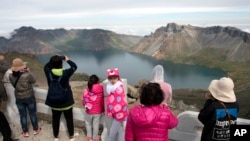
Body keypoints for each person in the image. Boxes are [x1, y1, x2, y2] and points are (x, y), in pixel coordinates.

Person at [44, 55, 77, 141]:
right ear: (61, 63)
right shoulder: (66, 73)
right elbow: (74, 66)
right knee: (69, 119)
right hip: (66, 102)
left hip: (54, 102)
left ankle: (56, 137)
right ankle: (71, 136)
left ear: (51, 64)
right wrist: (67, 59)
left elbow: (46, 66)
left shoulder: (48, 72)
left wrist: (54, 60)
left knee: (55, 119)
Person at [9, 58, 41, 137]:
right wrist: (28, 70)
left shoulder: (10, 76)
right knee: (32, 114)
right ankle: (36, 129)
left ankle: (25, 132)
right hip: (29, 96)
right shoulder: (27, 74)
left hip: (19, 97)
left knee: (22, 115)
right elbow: (34, 80)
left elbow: (14, 85)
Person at [106, 68, 128, 141]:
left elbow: (120, 101)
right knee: (119, 130)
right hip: (116, 113)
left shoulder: (118, 87)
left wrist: (112, 110)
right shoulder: (112, 87)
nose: (112, 80)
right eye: (110, 78)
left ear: (118, 78)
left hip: (119, 113)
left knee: (112, 132)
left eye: (114, 78)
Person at [82, 74, 104, 141]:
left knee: (88, 123)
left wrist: (85, 105)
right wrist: (103, 109)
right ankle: (95, 138)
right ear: (97, 81)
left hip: (89, 111)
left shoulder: (86, 89)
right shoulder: (101, 89)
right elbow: (102, 101)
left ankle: (89, 137)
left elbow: (84, 101)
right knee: (96, 125)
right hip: (98, 111)